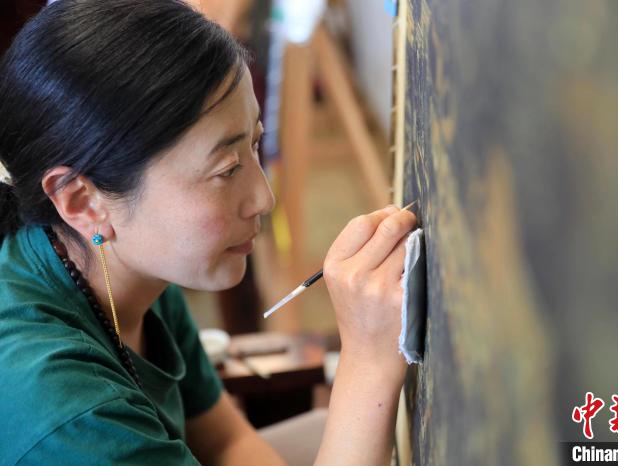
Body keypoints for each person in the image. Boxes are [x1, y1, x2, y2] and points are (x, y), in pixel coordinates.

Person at [0, 1, 416, 465]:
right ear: (82, 200)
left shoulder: (124, 264)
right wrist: (368, 361)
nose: (264, 199)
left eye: (255, 143)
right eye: (227, 168)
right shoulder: (69, 417)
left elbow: (224, 442)